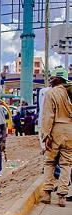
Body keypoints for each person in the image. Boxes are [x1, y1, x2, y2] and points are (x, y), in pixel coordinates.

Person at [40, 68, 72, 207]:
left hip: (56, 129)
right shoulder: (69, 92)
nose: (50, 81)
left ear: (58, 79)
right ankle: (62, 196)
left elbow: (48, 116)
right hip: (70, 130)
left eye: (52, 78)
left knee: (50, 162)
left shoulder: (51, 93)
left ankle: (47, 193)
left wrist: (46, 135)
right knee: (66, 164)